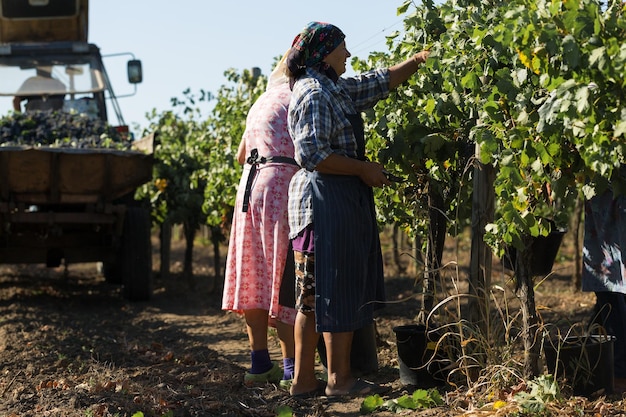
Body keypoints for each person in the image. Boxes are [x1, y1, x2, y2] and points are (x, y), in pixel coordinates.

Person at [285, 21, 430, 398]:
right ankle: (340, 380)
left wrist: (417, 60)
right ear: (323, 53)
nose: (348, 55)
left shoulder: (333, 88)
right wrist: (362, 169)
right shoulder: (316, 92)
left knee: (313, 296)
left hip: (327, 204)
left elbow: (377, 82)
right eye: (342, 49)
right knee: (336, 290)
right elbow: (313, 154)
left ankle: (303, 381)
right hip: (323, 205)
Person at [222, 54, 300, 387]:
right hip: (280, 186)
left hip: (249, 188)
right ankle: (292, 370)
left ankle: (258, 365)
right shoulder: (298, 96)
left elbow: (241, 155)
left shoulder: (261, 101)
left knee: (254, 273)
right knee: (284, 276)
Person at [582, 166, 626, 393]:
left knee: (615, 297)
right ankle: (616, 371)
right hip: (603, 205)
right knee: (609, 295)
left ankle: (619, 373)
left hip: (614, 203)